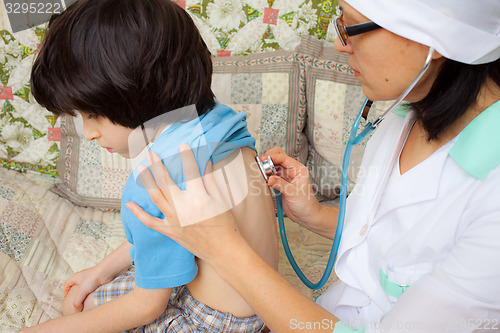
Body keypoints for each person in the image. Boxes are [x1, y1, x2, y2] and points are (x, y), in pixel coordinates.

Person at [125, 0, 500, 332]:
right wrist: (315, 215)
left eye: (351, 27)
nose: (340, 43)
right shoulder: (405, 114)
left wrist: (225, 250)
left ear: (435, 36)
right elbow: (400, 247)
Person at [26, 0, 278, 332]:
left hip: (208, 323)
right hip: (268, 302)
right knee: (93, 296)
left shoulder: (156, 177)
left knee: (80, 312)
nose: (88, 133)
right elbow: (163, 227)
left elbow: (147, 306)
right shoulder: (220, 120)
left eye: (92, 115)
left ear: (135, 93)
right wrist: (99, 273)